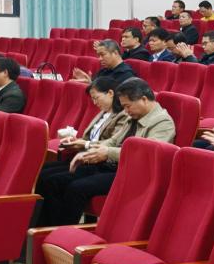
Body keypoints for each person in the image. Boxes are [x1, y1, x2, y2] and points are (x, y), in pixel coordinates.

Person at [36, 78, 176, 226]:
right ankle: (42, 228)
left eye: (128, 106)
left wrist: (108, 152)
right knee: (50, 179)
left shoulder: (163, 123)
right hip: (111, 165)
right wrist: (90, 149)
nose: (126, 111)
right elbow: (113, 141)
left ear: (144, 99)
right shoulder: (135, 115)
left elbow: (145, 154)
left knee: (76, 188)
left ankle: (60, 231)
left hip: (131, 173)